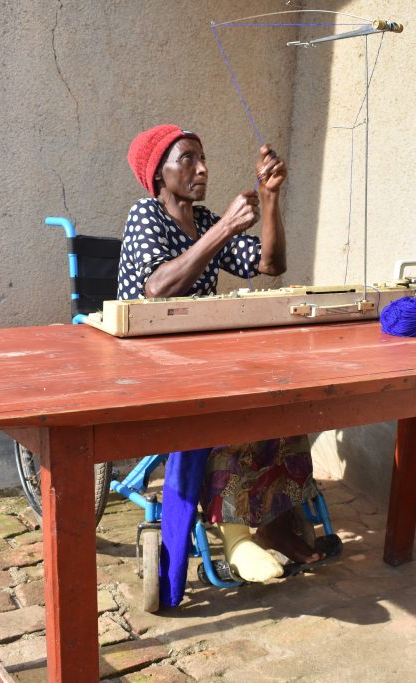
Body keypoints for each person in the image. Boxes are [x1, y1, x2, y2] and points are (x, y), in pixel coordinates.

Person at [120, 124, 324, 606]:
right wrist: (225, 229)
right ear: (158, 174)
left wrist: (271, 199)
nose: (202, 168)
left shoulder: (205, 218)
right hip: (148, 362)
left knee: (279, 396)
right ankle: (236, 535)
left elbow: (270, 264)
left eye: (202, 157)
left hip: (200, 354)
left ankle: (274, 522)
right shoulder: (145, 216)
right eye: (186, 159)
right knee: (230, 409)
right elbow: (158, 288)